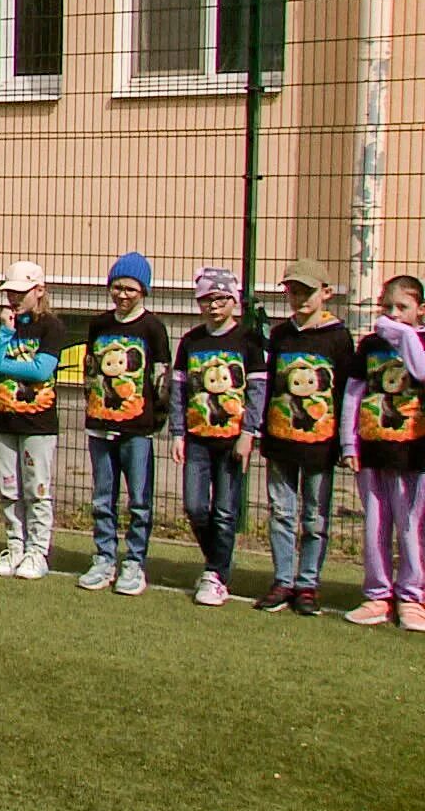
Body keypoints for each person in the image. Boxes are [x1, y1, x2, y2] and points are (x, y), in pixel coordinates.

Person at [256, 258, 354, 616]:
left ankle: (307, 582)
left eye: (307, 292)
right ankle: (283, 579)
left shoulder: (338, 337)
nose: (299, 298)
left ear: (326, 293)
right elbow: (268, 389)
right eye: (293, 291)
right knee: (281, 512)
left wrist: (345, 442)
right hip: (281, 440)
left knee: (315, 517)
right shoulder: (281, 335)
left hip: (320, 445)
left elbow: (345, 392)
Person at [75, 252, 172, 596]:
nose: (122, 294)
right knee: (103, 497)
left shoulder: (153, 328)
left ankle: (134, 562)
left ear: (143, 290)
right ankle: (104, 557)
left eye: (130, 288)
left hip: (137, 430)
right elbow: (90, 369)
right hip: (100, 425)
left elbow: (162, 378)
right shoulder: (99, 325)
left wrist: (153, 421)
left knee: (139, 500)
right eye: (117, 287)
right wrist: (95, 406)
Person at [169, 267, 266, 608]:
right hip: (196, 438)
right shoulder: (192, 341)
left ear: (233, 300)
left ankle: (215, 574)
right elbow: (179, 390)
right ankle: (219, 562)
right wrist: (178, 432)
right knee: (195, 507)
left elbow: (257, 392)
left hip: (232, 441)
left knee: (225, 511)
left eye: (221, 298)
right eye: (207, 299)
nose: (213, 305)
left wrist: (248, 433)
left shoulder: (248, 341)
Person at [343, 275, 425, 630]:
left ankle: (411, 596)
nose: (392, 314)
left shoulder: (419, 341)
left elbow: (421, 372)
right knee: (376, 524)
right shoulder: (369, 345)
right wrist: (350, 442)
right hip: (373, 450)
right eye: (387, 307)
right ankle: (378, 594)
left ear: (420, 311)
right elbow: (352, 394)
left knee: (411, 526)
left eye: (402, 308)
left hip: (413, 451)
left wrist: (406, 336)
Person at [0, 260, 64, 581]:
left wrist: (5, 366)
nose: (13, 299)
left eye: (20, 293)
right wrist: (4, 334)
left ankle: (37, 550)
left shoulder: (51, 327)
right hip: (3, 421)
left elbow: (42, 370)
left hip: (38, 424)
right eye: (10, 293)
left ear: (38, 291)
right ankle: (15, 544)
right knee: (9, 488)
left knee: (36, 488)